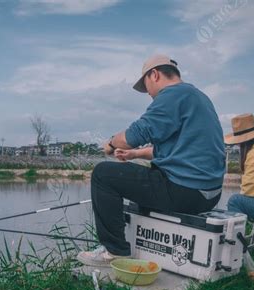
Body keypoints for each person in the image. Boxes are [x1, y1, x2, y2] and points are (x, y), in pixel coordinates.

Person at [76, 54, 226, 267]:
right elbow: (177, 150)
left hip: (184, 191)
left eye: (146, 87)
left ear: (154, 75)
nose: (148, 94)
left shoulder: (172, 95)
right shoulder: (198, 98)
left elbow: (135, 135)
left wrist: (111, 143)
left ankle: (114, 251)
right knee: (136, 181)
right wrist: (134, 155)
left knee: (103, 174)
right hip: (208, 194)